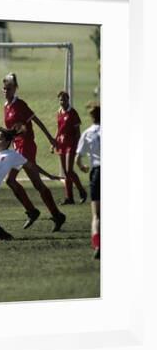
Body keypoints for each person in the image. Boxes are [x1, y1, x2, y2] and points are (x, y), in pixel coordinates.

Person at [2, 73, 66, 232]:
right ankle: (56, 215)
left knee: (10, 180)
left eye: (9, 88)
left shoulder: (20, 105)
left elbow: (36, 121)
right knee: (36, 184)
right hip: (17, 147)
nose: (6, 91)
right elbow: (12, 131)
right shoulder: (6, 106)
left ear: (15, 88)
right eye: (4, 88)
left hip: (27, 145)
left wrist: (51, 138)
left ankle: (32, 211)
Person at [75, 104, 100, 259]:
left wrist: (83, 167)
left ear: (91, 117)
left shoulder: (87, 133)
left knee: (96, 215)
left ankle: (97, 244)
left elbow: (78, 158)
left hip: (97, 172)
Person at [55, 91, 87, 204]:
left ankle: (82, 191)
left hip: (71, 144)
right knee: (65, 171)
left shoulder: (73, 113)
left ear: (68, 100)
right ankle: (69, 198)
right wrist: (54, 142)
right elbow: (58, 129)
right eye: (60, 100)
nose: (62, 102)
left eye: (64, 99)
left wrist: (78, 145)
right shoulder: (59, 112)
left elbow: (78, 132)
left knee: (69, 170)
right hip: (61, 144)